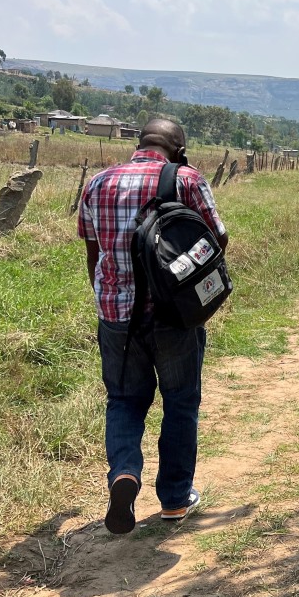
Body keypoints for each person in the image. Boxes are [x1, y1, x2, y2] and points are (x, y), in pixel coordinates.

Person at [79, 118, 229, 535]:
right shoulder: (185, 180)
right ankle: (175, 500)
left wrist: (108, 298)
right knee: (180, 402)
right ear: (178, 148)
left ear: (139, 142)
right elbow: (217, 238)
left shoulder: (97, 183)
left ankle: (124, 473)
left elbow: (93, 253)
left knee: (124, 400)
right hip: (173, 317)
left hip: (116, 317)